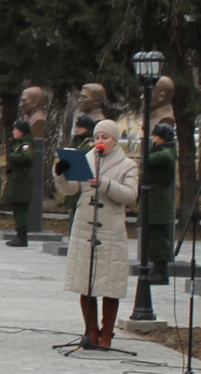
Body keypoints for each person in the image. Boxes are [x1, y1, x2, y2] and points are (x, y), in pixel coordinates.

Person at [52, 120, 139, 349]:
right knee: (85, 280)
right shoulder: (86, 159)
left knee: (110, 282)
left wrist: (105, 184)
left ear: (114, 140)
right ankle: (90, 330)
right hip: (84, 227)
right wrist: (61, 175)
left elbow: (130, 195)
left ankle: (107, 333)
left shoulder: (127, 165)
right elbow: (71, 190)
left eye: (105, 137)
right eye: (97, 137)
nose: (100, 141)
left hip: (110, 229)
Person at [141, 122, 177, 281]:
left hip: (159, 200)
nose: (153, 139)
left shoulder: (166, 152)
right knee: (153, 237)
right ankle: (155, 268)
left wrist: (150, 151)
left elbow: (154, 159)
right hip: (154, 198)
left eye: (155, 136)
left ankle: (161, 271)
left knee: (159, 238)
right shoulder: (162, 151)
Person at [1, 119, 33, 246]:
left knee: (21, 210)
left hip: (22, 181)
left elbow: (27, 157)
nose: (13, 131)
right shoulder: (19, 143)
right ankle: (19, 235)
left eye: (16, 129)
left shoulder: (26, 144)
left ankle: (22, 237)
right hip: (18, 180)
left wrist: (13, 156)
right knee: (17, 209)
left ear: (22, 131)